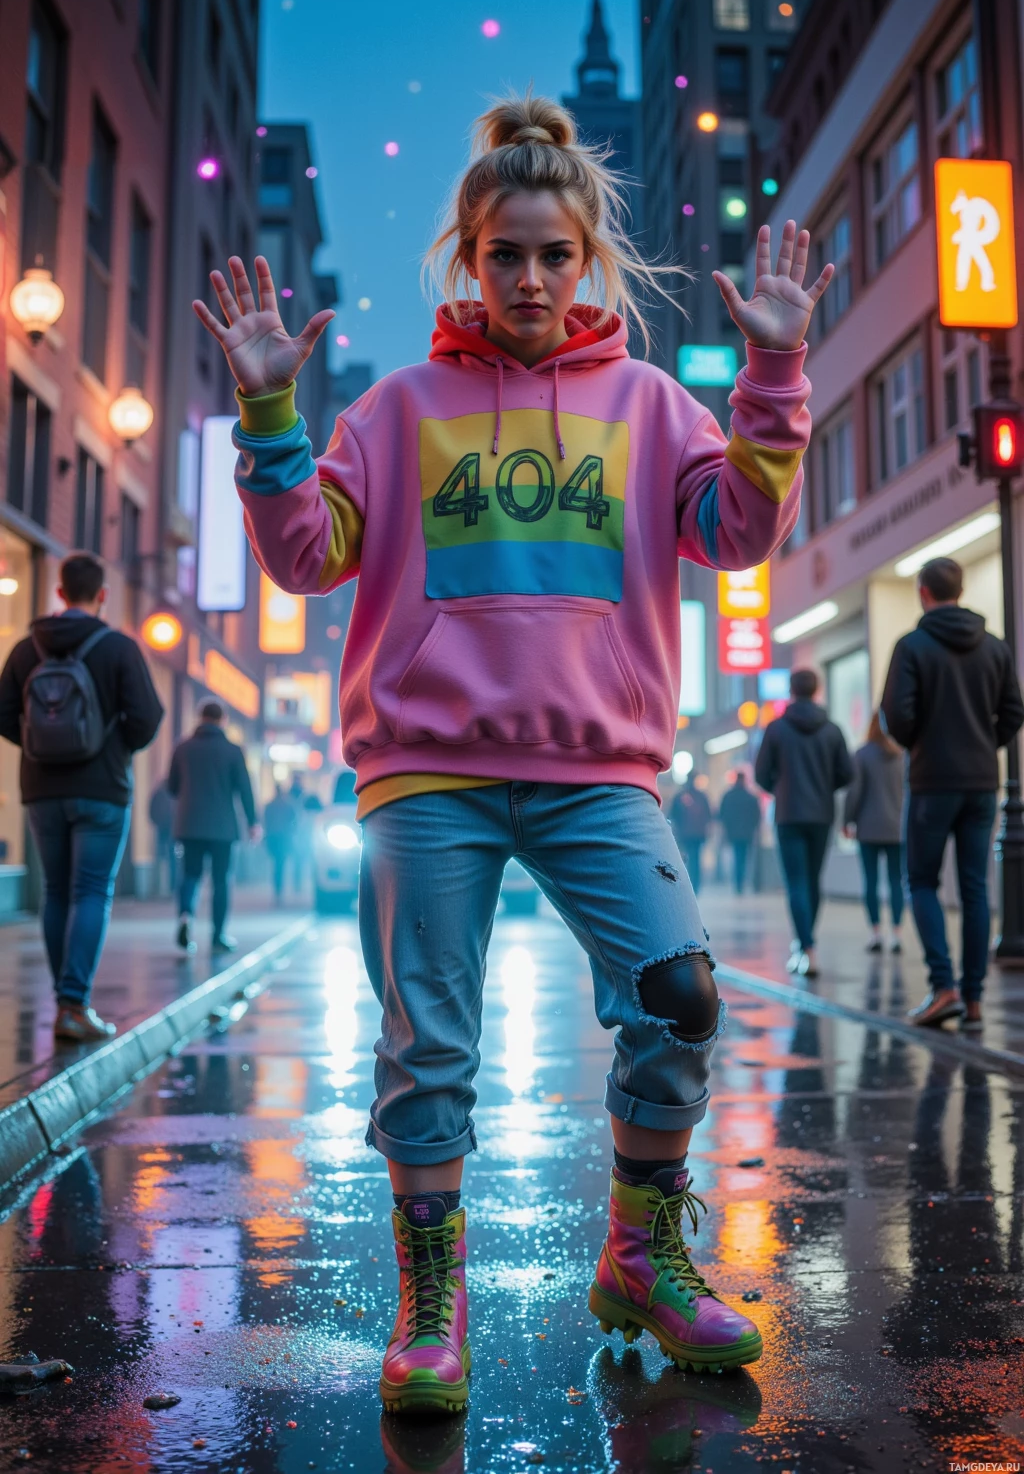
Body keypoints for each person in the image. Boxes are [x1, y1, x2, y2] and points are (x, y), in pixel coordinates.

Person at [196, 91, 832, 1409]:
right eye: (506, 254)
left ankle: (641, 1254)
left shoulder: (654, 403)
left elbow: (737, 535)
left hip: (600, 764)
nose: (532, 278)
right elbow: (309, 556)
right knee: (428, 1042)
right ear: (466, 259)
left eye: (555, 254)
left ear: (586, 258)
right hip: (426, 767)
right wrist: (271, 414)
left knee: (679, 998)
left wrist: (772, 379)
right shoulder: (399, 409)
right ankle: (434, 1303)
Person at [0, 551, 163, 1041]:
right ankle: (75, 1003)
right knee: (91, 891)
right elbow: (148, 719)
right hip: (102, 791)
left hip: (41, 788)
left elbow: (4, 715)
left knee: (56, 890)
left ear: (59, 592)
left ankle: (64, 1001)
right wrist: (110, 749)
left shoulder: (28, 648)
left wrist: (38, 745)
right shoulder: (118, 647)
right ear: (102, 595)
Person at [881, 556, 1024, 1031]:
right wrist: (986, 744)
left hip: (931, 782)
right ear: (959, 591)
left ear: (924, 592)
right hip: (982, 781)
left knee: (921, 880)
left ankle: (943, 988)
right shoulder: (996, 648)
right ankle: (975, 997)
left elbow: (896, 717)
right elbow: (1014, 711)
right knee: (974, 887)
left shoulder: (912, 646)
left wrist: (923, 744)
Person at [755, 669, 852, 977]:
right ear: (818, 690)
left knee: (796, 882)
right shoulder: (833, 730)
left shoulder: (776, 729)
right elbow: (847, 773)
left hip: (788, 814)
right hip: (821, 814)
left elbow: (761, 774)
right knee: (812, 881)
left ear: (791, 691)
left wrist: (780, 789)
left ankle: (805, 947)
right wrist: (824, 788)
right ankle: (807, 945)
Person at [168, 699, 259, 954]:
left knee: (189, 875)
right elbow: (245, 789)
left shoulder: (182, 748)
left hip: (189, 825)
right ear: (223, 720)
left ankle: (186, 916)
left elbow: (172, 787)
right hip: (222, 828)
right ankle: (218, 936)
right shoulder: (232, 750)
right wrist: (253, 823)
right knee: (221, 880)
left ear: (200, 717)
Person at [843, 710, 906, 954]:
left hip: (868, 829)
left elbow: (854, 792)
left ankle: (876, 933)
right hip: (897, 829)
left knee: (870, 881)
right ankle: (898, 934)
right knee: (896, 882)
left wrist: (847, 820)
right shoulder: (902, 755)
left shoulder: (862, 754)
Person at [668, 772, 712, 894]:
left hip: (685, 834)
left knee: (686, 858)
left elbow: (673, 814)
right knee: (696, 858)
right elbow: (708, 815)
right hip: (698, 834)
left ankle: (688, 883)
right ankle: (696, 884)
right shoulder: (701, 796)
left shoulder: (680, 796)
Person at [719, 768, 761, 894]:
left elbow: (722, 814)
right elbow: (756, 816)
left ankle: (738, 884)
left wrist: (727, 829)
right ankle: (743, 882)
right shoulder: (751, 797)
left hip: (733, 833)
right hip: (747, 834)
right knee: (745, 858)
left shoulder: (728, 796)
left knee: (737, 857)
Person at [263, 782, 298, 903]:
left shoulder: (270, 806)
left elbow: (266, 823)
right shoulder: (288, 805)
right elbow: (294, 821)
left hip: (274, 837)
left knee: (277, 864)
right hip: (283, 838)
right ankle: (279, 889)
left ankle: (277, 889)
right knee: (280, 864)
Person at [148, 777, 176, 896]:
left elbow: (151, 810)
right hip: (171, 829)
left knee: (162, 856)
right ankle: (171, 886)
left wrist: (157, 821)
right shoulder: (173, 794)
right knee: (172, 858)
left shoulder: (159, 793)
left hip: (164, 828)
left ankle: (163, 886)